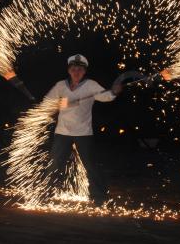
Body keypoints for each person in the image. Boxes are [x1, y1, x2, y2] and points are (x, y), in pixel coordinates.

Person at [45, 54, 122, 205]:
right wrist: (59, 104)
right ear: (69, 70)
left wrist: (114, 92)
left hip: (83, 132)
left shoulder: (90, 85)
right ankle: (44, 195)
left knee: (91, 165)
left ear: (84, 72)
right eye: (74, 69)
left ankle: (100, 197)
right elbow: (48, 101)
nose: (76, 72)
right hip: (62, 132)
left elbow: (104, 96)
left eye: (80, 70)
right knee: (54, 164)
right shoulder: (61, 86)